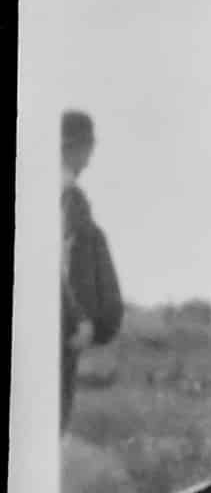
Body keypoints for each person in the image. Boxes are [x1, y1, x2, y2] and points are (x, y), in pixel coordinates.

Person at [62, 110, 124, 432]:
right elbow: (61, 265)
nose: (88, 160)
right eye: (87, 149)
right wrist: (79, 319)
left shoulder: (69, 198)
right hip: (62, 332)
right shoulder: (65, 197)